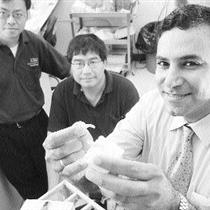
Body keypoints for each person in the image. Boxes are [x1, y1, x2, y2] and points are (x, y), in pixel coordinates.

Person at [43, 4, 210, 209]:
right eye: (163, 64)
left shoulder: (126, 90)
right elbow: (109, 156)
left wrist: (176, 205)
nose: (170, 81)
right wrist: (88, 167)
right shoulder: (152, 105)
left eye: (190, 63)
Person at [46, 33, 139, 206]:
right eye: (79, 63)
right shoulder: (61, 92)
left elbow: (138, 145)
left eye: (93, 62)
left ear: (105, 63)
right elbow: (53, 149)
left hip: (116, 170)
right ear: (71, 66)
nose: (86, 71)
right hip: (79, 173)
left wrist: (118, 192)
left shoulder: (126, 90)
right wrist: (55, 195)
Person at [0, 0, 70, 200]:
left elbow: (66, 70)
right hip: (6, 136)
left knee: (56, 179)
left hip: (39, 125)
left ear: (26, 15)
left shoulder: (33, 42)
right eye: (3, 13)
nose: (11, 20)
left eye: (18, 14)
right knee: (31, 192)